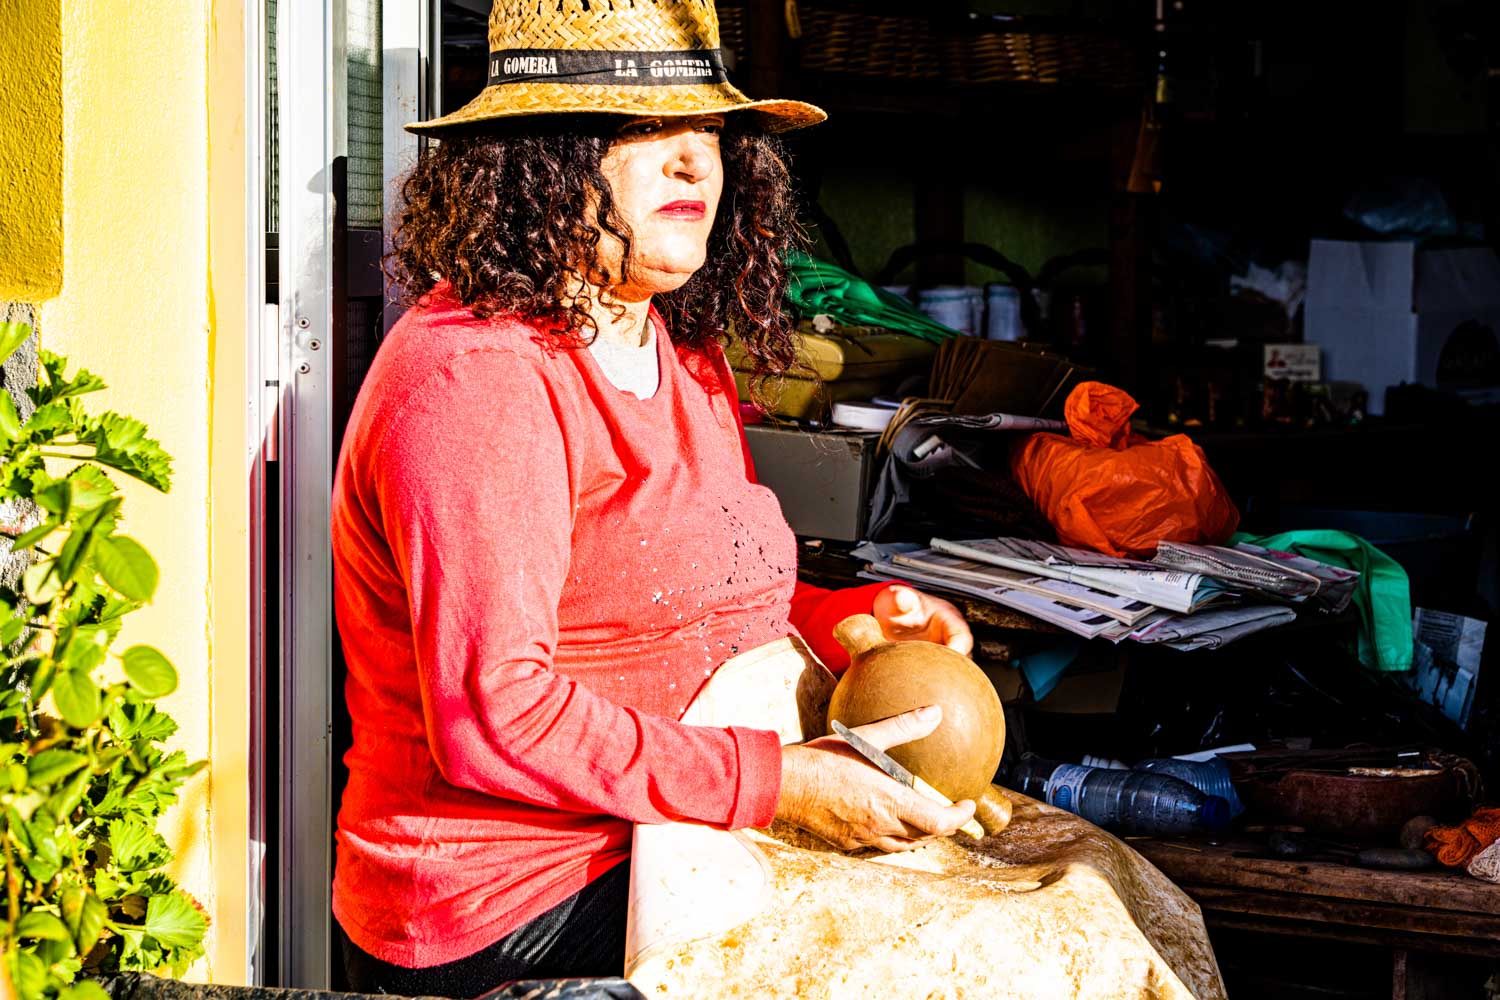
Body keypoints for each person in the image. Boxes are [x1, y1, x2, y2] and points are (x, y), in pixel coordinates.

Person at [329, 2, 976, 996]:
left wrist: (856, 625)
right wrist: (778, 786)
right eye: (644, 129)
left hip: (674, 835)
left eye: (710, 131)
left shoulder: (671, 341)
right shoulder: (478, 380)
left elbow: (697, 599)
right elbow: (495, 715)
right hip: (519, 897)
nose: (695, 164)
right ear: (535, 158)